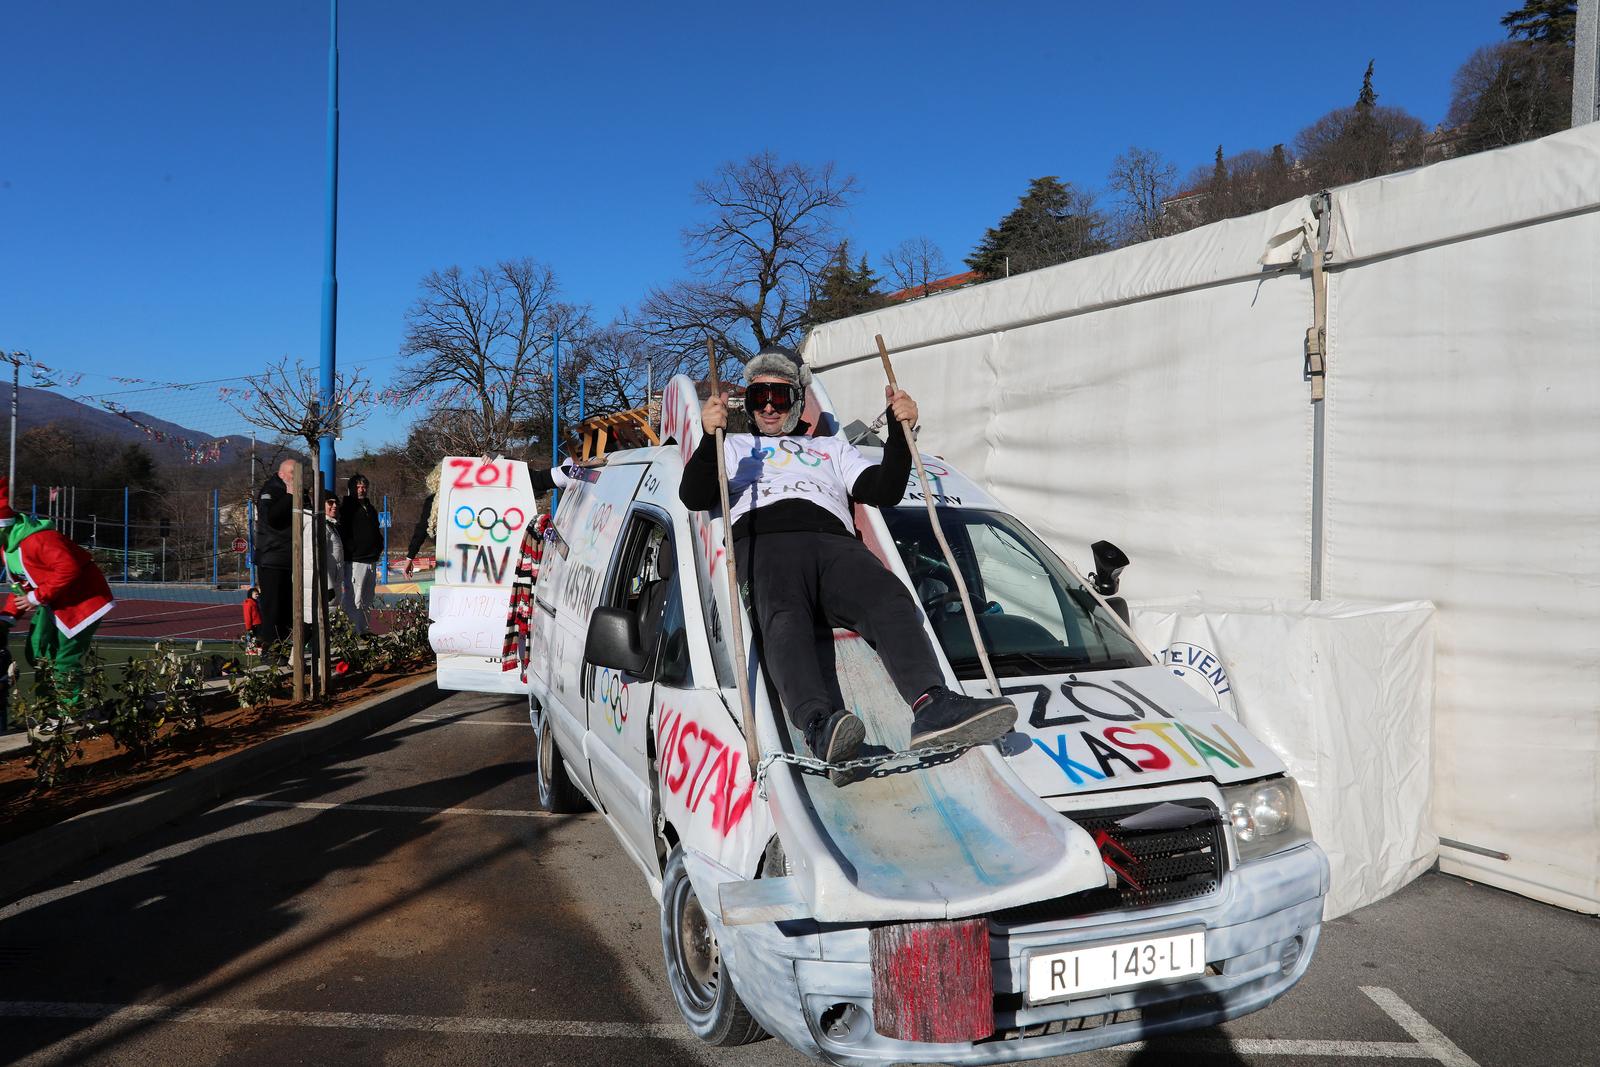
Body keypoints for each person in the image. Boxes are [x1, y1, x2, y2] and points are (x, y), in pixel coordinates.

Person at [678, 347, 1016, 781]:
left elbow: (884, 489)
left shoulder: (830, 448)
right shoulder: (733, 446)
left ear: (796, 401)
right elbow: (694, 496)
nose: (768, 407)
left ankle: (932, 704)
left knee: (890, 596)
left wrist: (899, 432)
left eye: (779, 396)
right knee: (783, 614)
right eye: (759, 396)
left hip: (834, 542)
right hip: (765, 538)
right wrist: (711, 438)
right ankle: (819, 724)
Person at [0, 476, 115, 708]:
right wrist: (7, 617)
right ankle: (49, 708)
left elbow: (68, 568)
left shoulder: (39, 539)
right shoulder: (6, 548)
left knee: (64, 657)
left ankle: (69, 712)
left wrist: (36, 597)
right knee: (38, 652)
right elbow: (21, 583)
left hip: (82, 602)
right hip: (53, 601)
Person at [401, 458, 578, 579]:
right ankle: (560, 474)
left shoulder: (448, 499)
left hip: (466, 566)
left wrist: (410, 557)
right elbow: (421, 529)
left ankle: (560, 474)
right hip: (481, 562)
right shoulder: (465, 494)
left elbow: (421, 529)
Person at [253, 458, 296, 647]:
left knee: (288, 608)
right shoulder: (270, 491)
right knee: (273, 609)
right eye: (293, 473)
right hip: (272, 558)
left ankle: (284, 648)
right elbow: (272, 518)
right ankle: (270, 651)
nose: (296, 478)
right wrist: (290, 495)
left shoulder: (296, 493)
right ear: (281, 474)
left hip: (290, 558)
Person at [338, 473, 382, 634]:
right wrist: (352, 549)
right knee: (354, 598)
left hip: (371, 559)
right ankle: (351, 631)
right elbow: (344, 533)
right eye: (358, 487)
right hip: (355, 561)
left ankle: (363, 629)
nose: (361, 490)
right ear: (352, 488)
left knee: (368, 598)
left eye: (364, 486)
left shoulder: (370, 509)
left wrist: (379, 546)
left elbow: (376, 531)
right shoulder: (346, 509)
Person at [241, 586, 263, 653]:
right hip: (254, 624)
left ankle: (256, 651)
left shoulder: (255, 602)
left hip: (258, 623)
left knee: (257, 638)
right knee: (252, 638)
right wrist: (248, 627)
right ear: (251, 594)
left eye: (257, 594)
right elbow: (247, 616)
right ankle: (251, 651)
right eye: (255, 594)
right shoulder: (248, 603)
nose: (257, 595)